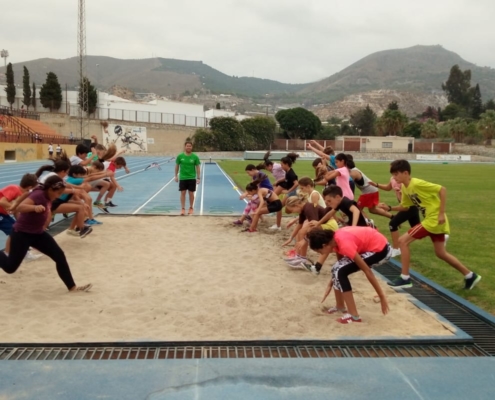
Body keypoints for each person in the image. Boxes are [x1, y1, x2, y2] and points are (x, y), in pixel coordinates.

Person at [380, 159, 481, 290]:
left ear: (405, 173)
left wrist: (441, 213)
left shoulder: (417, 183)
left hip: (434, 220)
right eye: (393, 175)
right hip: (432, 220)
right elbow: (405, 207)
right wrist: (389, 208)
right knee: (441, 253)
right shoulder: (405, 188)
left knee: (402, 241)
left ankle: (405, 278)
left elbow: (442, 190)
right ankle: (470, 275)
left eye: (396, 174)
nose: (394, 178)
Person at [0, 175, 92, 292]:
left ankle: (72, 287)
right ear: (50, 189)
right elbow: (22, 207)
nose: (58, 196)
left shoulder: (44, 192)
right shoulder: (39, 195)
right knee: (10, 268)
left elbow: (26, 193)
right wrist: (34, 207)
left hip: (38, 233)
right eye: (58, 193)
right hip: (22, 234)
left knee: (59, 256)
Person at [307, 227, 391, 323]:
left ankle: (354, 316)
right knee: (337, 270)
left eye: (319, 251)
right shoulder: (334, 240)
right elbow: (339, 264)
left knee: (340, 272)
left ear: (324, 245)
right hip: (374, 244)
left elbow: (367, 271)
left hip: (380, 250)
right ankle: (340, 307)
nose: (320, 254)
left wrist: (381, 296)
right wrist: (331, 282)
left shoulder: (344, 244)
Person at [368, 174, 421, 257]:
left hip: (410, 206)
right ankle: (441, 235)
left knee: (393, 224)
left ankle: (396, 249)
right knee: (418, 229)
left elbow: (406, 206)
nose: (393, 174)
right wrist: (377, 185)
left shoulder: (403, 182)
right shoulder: (393, 178)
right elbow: (388, 187)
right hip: (405, 206)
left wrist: (389, 207)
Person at [0, 174, 40, 261]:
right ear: (29, 187)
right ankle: (9, 254)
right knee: (15, 231)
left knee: (17, 230)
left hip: (3, 214)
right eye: (34, 188)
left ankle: (17, 253)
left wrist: (21, 222)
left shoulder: (21, 195)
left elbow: (16, 212)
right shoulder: (14, 188)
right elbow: (2, 201)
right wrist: (14, 207)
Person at [271, 153, 299, 230]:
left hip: (292, 192)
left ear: (286, 164)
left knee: (279, 206)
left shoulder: (291, 173)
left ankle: (278, 226)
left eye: (282, 164)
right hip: (291, 192)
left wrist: (288, 191)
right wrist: (278, 181)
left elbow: (296, 183)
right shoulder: (287, 171)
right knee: (281, 207)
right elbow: (285, 178)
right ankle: (278, 225)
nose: (281, 166)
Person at [174, 140, 201, 216]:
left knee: (191, 193)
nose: (188, 147)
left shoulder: (195, 157)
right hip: (183, 177)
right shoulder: (180, 156)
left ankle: (191, 208)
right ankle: (182, 209)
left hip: (192, 177)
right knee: (183, 193)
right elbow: (177, 166)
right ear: (185, 147)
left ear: (192, 147)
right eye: (187, 146)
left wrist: (198, 177)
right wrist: (176, 176)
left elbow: (198, 167)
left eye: (190, 146)